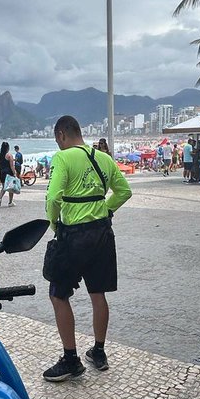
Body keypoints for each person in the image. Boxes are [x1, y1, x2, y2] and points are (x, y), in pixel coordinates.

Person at [41, 115, 132, 381]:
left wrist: (55, 226)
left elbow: (53, 197)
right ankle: (99, 351)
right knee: (98, 292)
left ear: (61, 135)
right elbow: (124, 191)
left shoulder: (63, 158)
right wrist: (105, 209)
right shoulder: (104, 158)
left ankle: (71, 359)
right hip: (103, 234)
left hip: (74, 235)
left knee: (58, 294)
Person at [0, 141, 15, 207]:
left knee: (3, 187)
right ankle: (10, 202)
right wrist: (14, 173)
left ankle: (0, 198)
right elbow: (12, 166)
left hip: (2, 173)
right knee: (11, 188)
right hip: (9, 173)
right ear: (8, 148)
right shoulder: (9, 155)